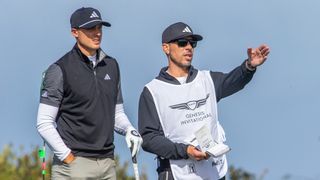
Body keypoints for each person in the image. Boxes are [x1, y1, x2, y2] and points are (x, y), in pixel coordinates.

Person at [138, 22, 270, 180]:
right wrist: (186, 150)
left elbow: (235, 80)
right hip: (177, 173)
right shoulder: (153, 91)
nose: (189, 47)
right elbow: (148, 139)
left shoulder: (207, 79)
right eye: (182, 43)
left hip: (214, 172)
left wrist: (249, 66)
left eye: (192, 43)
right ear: (166, 48)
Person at [36, 7, 142, 179]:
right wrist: (67, 157)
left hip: (108, 163)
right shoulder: (59, 69)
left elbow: (116, 113)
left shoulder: (111, 65)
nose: (97, 33)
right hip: (74, 164)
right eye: (90, 29)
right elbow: (44, 122)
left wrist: (129, 129)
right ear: (75, 32)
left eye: (99, 28)